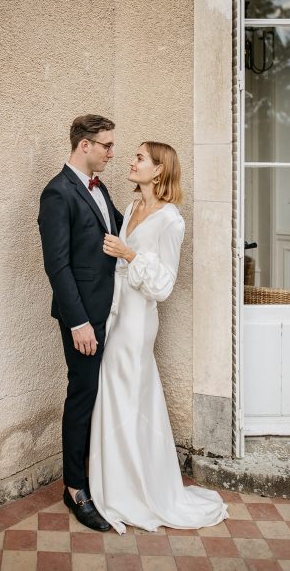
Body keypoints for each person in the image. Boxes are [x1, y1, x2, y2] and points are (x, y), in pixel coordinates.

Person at [89, 141, 229, 534]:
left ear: (158, 171)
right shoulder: (132, 208)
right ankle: (117, 484)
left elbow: (165, 284)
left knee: (127, 392)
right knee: (115, 394)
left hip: (138, 319)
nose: (131, 162)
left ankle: (136, 491)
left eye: (139, 158)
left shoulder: (172, 220)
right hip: (116, 310)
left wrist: (129, 255)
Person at [38, 114, 123, 531]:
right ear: (84, 145)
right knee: (82, 397)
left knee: (102, 394)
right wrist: (78, 323)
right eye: (106, 145)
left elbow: (119, 235)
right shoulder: (57, 193)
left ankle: (106, 476)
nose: (112, 152)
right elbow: (57, 265)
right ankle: (74, 487)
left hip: (112, 311)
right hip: (84, 319)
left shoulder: (100, 187)